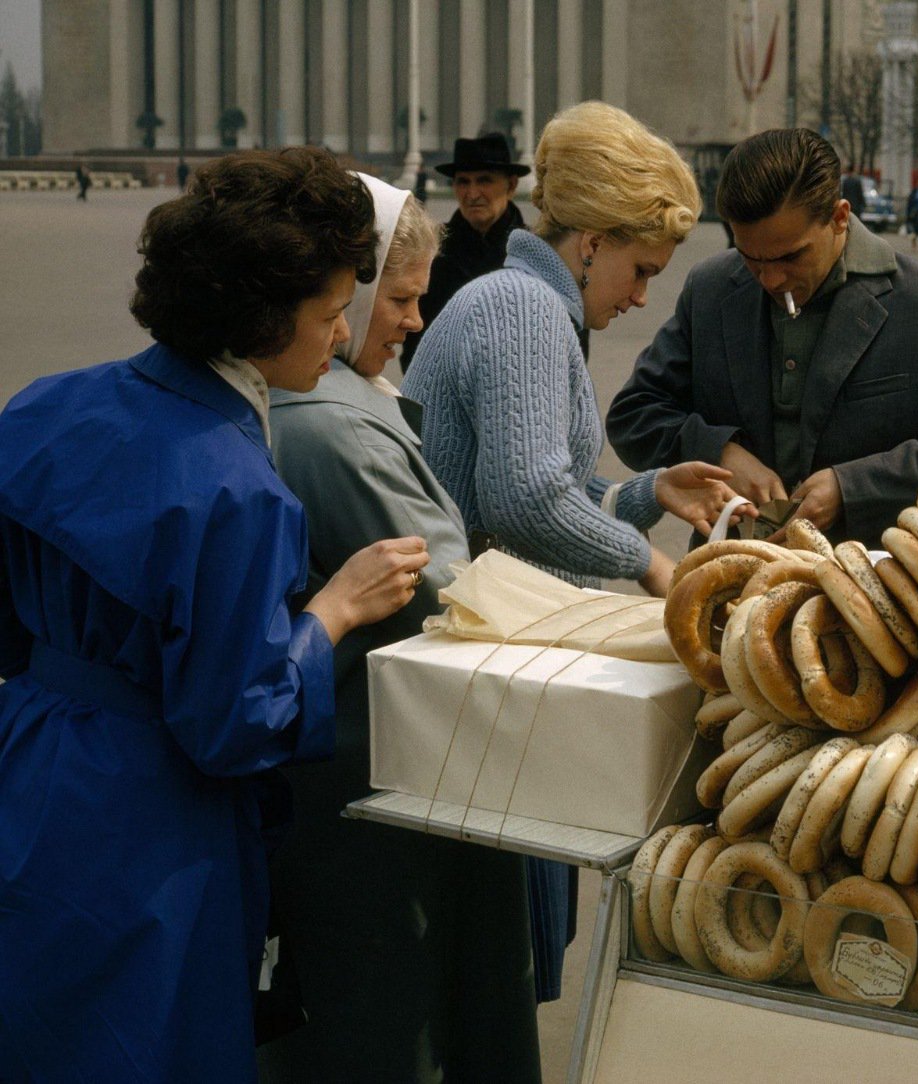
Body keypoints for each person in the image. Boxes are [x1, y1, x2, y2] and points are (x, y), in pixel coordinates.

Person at [0, 147, 428, 1081]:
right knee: (146, 1040)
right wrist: (334, 611)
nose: (341, 332)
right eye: (328, 313)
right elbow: (234, 723)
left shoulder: (44, 406)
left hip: (28, 767)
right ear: (261, 321)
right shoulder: (234, 487)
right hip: (149, 823)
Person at [261, 176, 539, 1081]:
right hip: (375, 780)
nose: (411, 323)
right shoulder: (335, 425)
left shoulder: (336, 402)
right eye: (402, 298)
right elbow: (450, 595)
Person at [606, 127, 918, 545]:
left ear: (840, 217)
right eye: (751, 258)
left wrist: (854, 488)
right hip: (730, 579)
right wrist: (721, 453)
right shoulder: (711, 288)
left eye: (791, 256)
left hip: (875, 588)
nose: (771, 278)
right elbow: (634, 415)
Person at [405, 101, 740, 596]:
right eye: (641, 270)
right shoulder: (522, 306)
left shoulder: (522, 300)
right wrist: (649, 560)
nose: (641, 296)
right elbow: (527, 501)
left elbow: (544, 484)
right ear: (593, 245)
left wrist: (652, 491)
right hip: (483, 629)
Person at [400, 132, 529, 370]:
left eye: (484, 180)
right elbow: (414, 339)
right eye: (463, 182)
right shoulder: (430, 252)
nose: (472, 194)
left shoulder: (535, 253)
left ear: (511, 185)